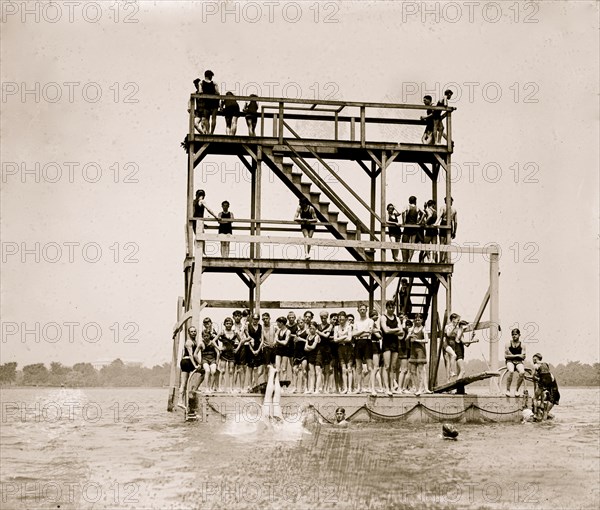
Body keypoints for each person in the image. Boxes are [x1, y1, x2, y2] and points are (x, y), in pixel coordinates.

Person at [379, 301, 402, 396]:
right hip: (387, 343)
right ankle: (386, 387)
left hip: (395, 343)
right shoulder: (383, 317)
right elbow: (385, 330)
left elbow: (400, 330)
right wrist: (395, 330)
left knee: (393, 367)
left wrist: (391, 330)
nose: (392, 309)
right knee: (387, 366)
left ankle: (392, 387)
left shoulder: (397, 318)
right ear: (387, 308)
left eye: (393, 308)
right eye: (390, 307)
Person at [177, 326, 203, 409]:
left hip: (188, 361)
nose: (193, 333)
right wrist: (195, 365)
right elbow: (191, 355)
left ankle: (182, 399)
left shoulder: (194, 341)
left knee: (185, 382)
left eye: (194, 331)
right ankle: (181, 400)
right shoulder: (189, 342)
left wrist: (199, 363)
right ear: (188, 333)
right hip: (186, 362)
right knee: (184, 382)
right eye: (191, 331)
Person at [352, 303, 374, 394]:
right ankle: (358, 388)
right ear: (358, 311)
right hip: (358, 343)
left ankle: (372, 388)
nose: (362, 311)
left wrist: (359, 332)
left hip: (367, 342)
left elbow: (369, 333)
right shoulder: (356, 322)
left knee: (369, 367)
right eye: (360, 309)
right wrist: (363, 331)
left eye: (364, 309)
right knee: (358, 367)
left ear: (366, 310)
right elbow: (353, 334)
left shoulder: (370, 321)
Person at [407, 314, 431, 395]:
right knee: (412, 371)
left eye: (419, 320)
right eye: (416, 320)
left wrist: (417, 340)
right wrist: (410, 335)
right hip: (413, 351)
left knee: (421, 370)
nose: (417, 321)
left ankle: (421, 389)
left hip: (420, 351)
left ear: (422, 320)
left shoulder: (423, 329)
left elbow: (427, 340)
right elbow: (406, 338)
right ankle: (418, 388)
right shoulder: (412, 329)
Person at [531, 353, 560, 420]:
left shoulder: (535, 365)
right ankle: (544, 420)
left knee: (535, 399)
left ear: (535, 359)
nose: (533, 360)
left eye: (533, 359)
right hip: (552, 390)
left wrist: (532, 377)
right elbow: (545, 377)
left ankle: (535, 414)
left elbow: (533, 376)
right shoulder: (547, 366)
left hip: (549, 389)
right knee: (545, 411)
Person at [216, 317, 241, 393]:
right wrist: (219, 348)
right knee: (222, 370)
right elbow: (213, 341)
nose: (228, 325)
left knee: (231, 371)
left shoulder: (235, 333)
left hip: (231, 354)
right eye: (227, 323)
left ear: (232, 324)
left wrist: (237, 349)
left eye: (230, 323)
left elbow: (241, 341)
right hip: (224, 354)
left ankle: (231, 388)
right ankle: (220, 387)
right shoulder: (222, 332)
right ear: (224, 324)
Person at [334, 311, 354, 394]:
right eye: (339, 319)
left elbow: (349, 339)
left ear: (345, 319)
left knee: (349, 369)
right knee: (343, 369)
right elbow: (335, 339)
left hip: (348, 348)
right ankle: (345, 388)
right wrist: (344, 336)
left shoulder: (349, 327)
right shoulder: (336, 328)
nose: (341, 321)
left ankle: (349, 388)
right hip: (340, 348)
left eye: (342, 319)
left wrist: (340, 338)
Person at [505, 328, 527, 396]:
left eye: (516, 334)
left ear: (519, 335)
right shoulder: (508, 344)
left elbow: (523, 357)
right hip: (510, 361)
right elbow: (506, 356)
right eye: (513, 335)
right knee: (511, 371)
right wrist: (518, 355)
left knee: (522, 372)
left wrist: (512, 355)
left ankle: (516, 390)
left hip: (518, 362)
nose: (514, 336)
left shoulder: (522, 345)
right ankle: (508, 390)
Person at [401, 196, 423, 263]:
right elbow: (424, 213)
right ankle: (410, 259)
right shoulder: (417, 207)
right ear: (415, 201)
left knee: (404, 242)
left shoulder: (407, 206)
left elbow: (402, 212)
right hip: (414, 227)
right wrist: (419, 222)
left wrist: (403, 221)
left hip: (407, 226)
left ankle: (405, 259)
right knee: (412, 244)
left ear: (409, 201)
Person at [436, 197, 457, 262]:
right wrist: (454, 231)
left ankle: (441, 259)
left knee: (442, 243)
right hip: (450, 224)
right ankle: (444, 259)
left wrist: (436, 224)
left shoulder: (443, 207)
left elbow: (439, 216)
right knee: (447, 243)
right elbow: (455, 222)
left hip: (444, 223)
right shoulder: (454, 209)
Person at [200, 318, 219, 392]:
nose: (207, 325)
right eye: (205, 324)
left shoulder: (214, 331)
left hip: (215, 351)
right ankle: (208, 387)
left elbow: (219, 340)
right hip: (207, 353)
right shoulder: (205, 333)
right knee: (208, 371)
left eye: (208, 323)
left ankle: (215, 387)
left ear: (211, 323)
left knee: (215, 370)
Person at [200, 70, 220, 135]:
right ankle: (212, 132)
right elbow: (217, 93)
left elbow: (200, 92)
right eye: (211, 76)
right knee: (214, 118)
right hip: (214, 102)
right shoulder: (214, 83)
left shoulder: (201, 82)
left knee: (206, 118)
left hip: (206, 102)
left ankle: (208, 132)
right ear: (209, 75)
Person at [246, 313, 263, 391]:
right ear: (251, 319)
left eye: (257, 319)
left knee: (256, 368)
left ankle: (255, 385)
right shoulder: (248, 326)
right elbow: (248, 339)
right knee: (250, 369)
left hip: (258, 347)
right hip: (250, 348)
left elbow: (262, 339)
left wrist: (258, 350)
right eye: (254, 319)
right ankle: (249, 385)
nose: (255, 320)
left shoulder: (260, 327)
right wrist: (252, 350)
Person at [442, 313, 460, 382]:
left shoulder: (457, 328)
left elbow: (457, 338)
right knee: (454, 355)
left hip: (453, 344)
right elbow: (448, 334)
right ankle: (451, 371)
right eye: (457, 320)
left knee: (449, 362)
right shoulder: (448, 326)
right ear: (453, 319)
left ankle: (448, 380)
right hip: (447, 344)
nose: (458, 321)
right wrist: (454, 328)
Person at [304, 321, 320, 393]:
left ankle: (317, 389)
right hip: (311, 355)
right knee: (311, 373)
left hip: (318, 355)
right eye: (310, 328)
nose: (312, 330)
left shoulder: (317, 336)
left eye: (313, 328)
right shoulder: (308, 336)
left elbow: (313, 347)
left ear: (316, 329)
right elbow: (305, 348)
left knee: (317, 372)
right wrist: (308, 347)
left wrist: (308, 347)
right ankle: (311, 388)